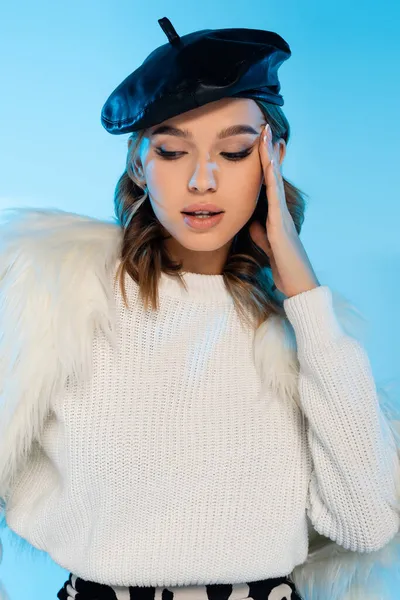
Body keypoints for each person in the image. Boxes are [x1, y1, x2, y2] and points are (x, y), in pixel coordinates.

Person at [0, 16, 399, 600]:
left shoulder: (301, 335)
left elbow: (366, 523)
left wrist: (306, 300)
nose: (203, 180)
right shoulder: (59, 298)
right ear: (139, 163)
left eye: (235, 152)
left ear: (274, 157)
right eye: (171, 150)